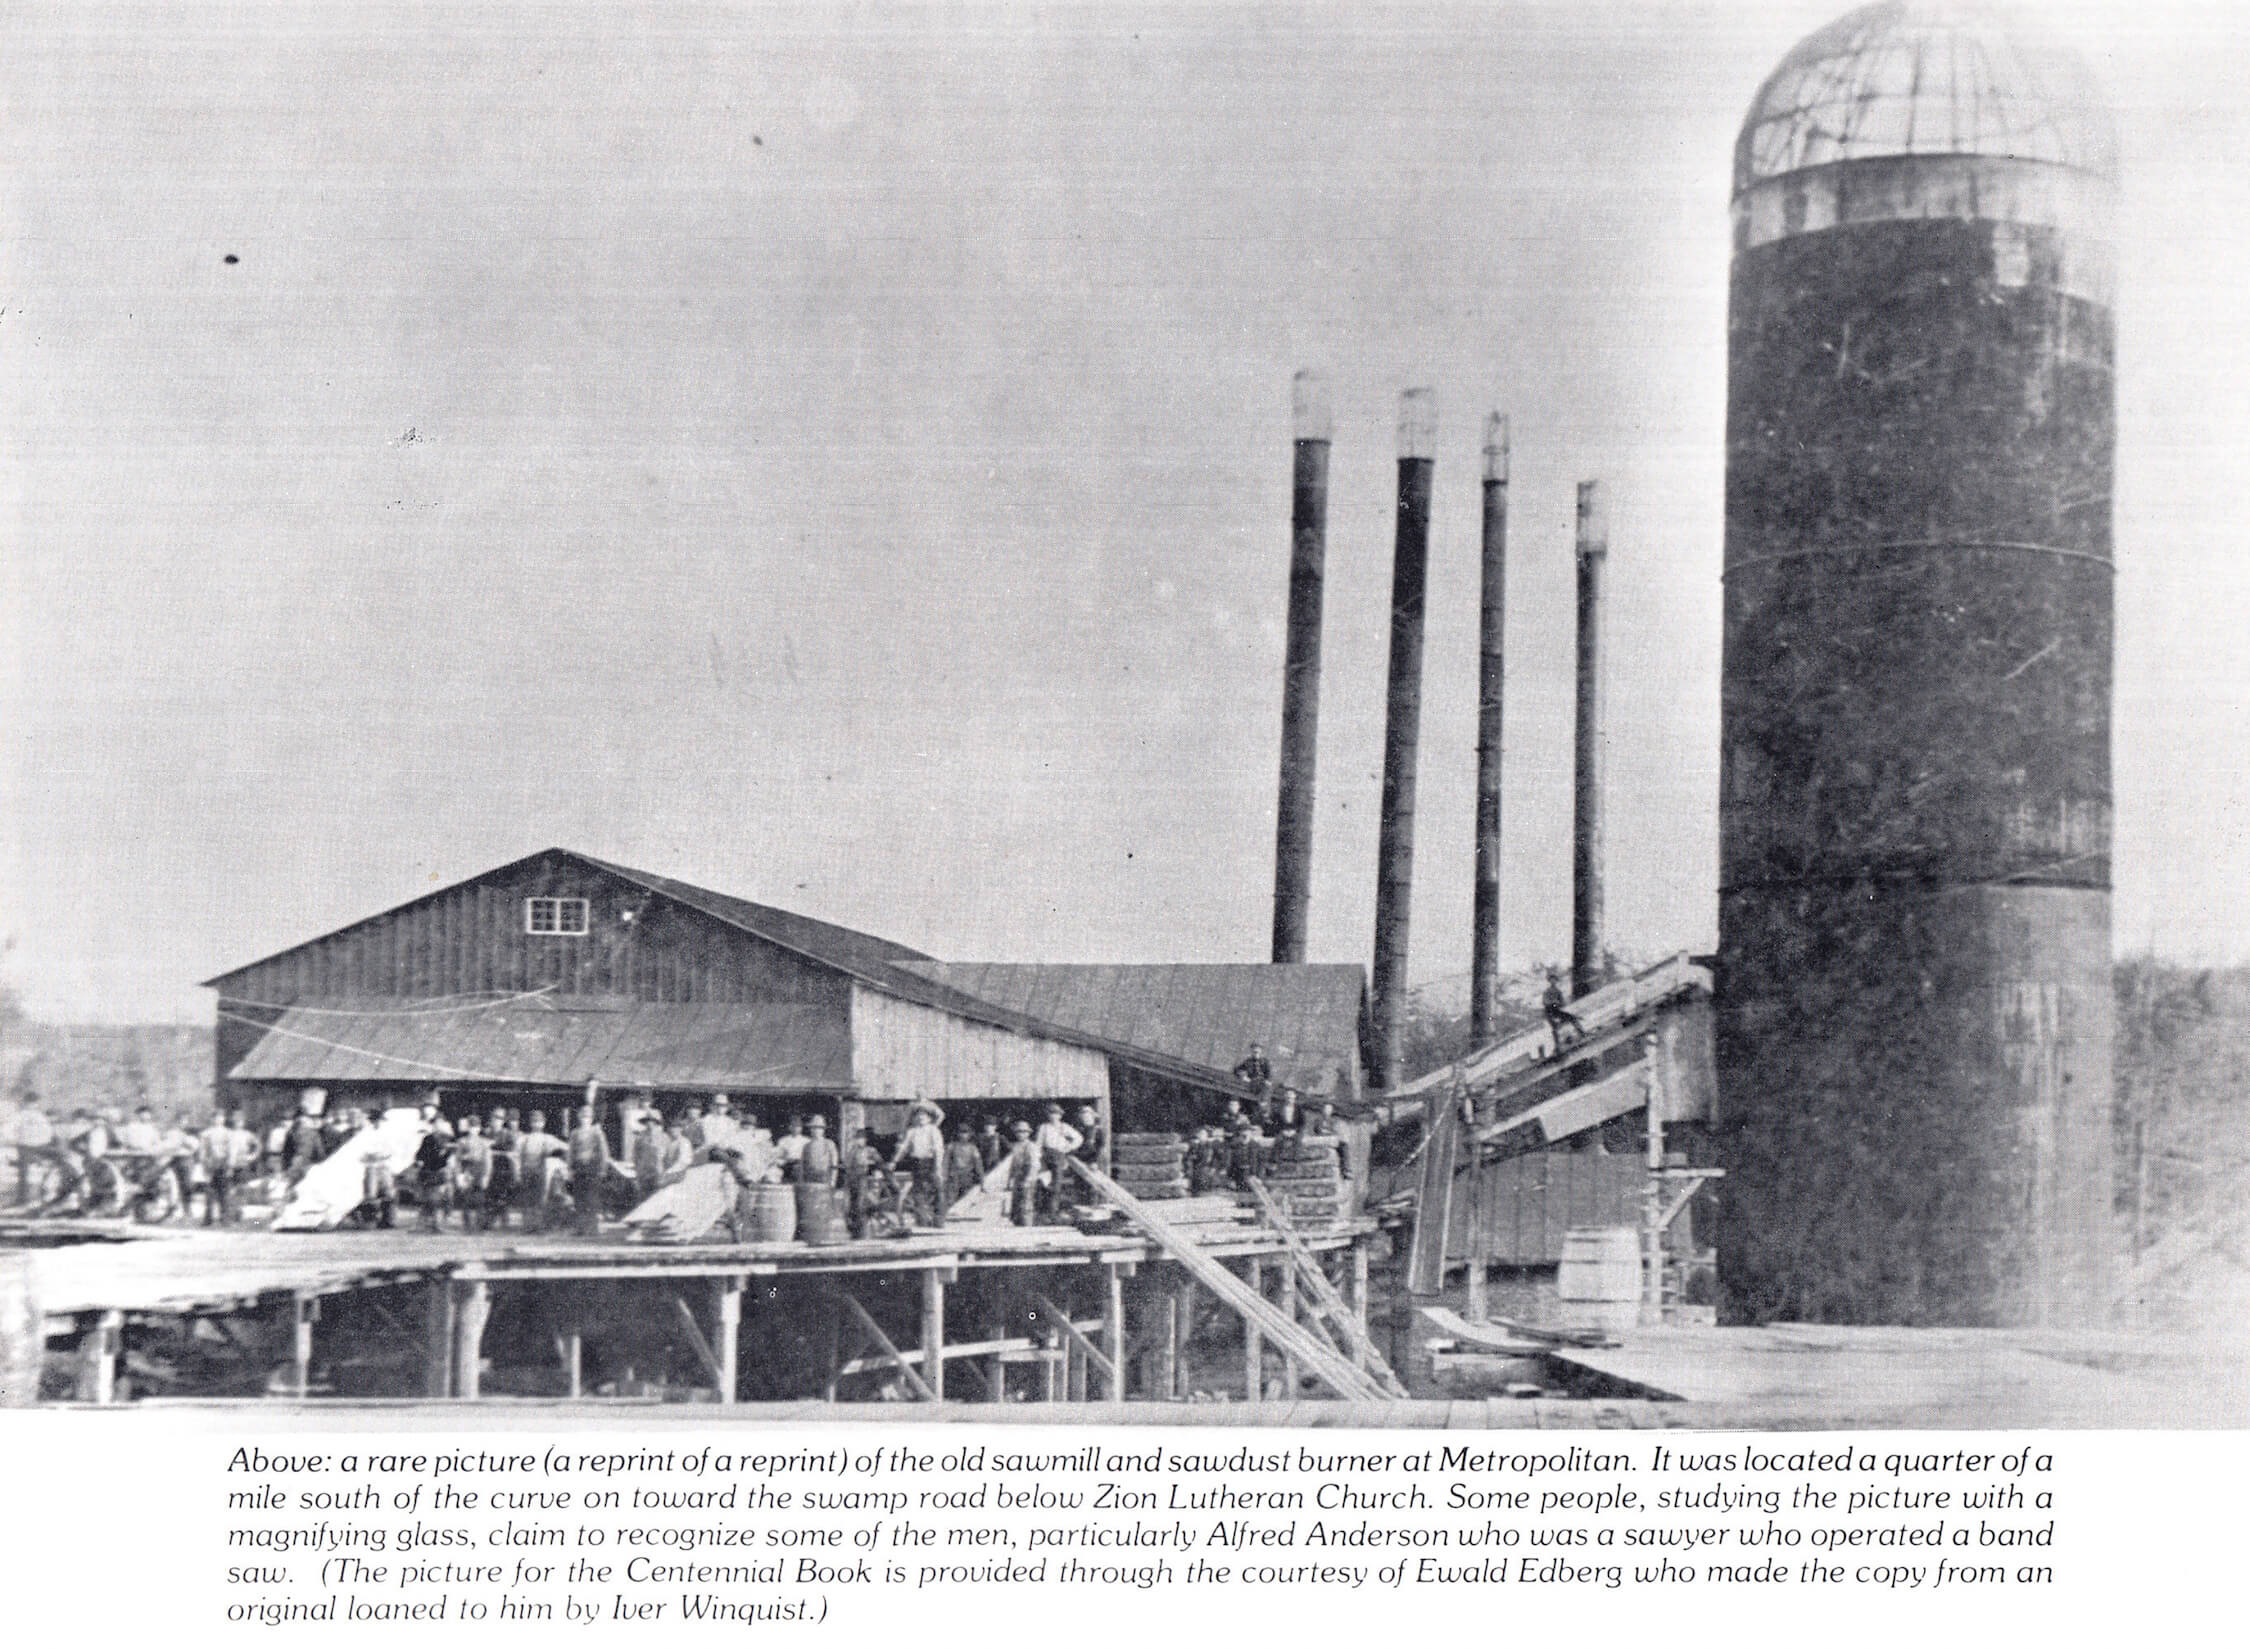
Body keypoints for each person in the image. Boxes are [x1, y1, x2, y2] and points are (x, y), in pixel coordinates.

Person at [890, 1101, 947, 1227]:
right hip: (916, 1163)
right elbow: (903, 1148)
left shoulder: (933, 1130)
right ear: (915, 1118)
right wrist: (894, 1161)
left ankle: (939, 1220)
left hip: (930, 1162)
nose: (921, 1118)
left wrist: (938, 1167)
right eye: (918, 1116)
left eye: (924, 1116)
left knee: (938, 1190)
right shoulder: (912, 1132)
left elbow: (938, 1149)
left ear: (929, 1118)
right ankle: (922, 1220)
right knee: (918, 1192)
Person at [566, 1104, 613, 1236]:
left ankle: (592, 1228)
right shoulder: (575, 1133)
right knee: (579, 1199)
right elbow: (570, 1152)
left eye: (587, 1117)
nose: (585, 1119)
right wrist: (569, 1168)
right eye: (583, 1116)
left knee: (592, 1199)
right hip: (579, 1169)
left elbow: (604, 1152)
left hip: (593, 1169)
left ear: (591, 1118)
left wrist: (603, 1169)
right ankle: (580, 1228)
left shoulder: (597, 1133)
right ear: (579, 1117)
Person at [516, 1110, 566, 1230]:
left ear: (543, 1123)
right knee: (527, 1199)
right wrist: (518, 1171)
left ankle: (537, 1225)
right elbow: (516, 1156)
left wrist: (554, 1153)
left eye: (539, 1122)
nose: (537, 1124)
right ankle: (528, 1225)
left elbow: (566, 1146)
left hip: (540, 1172)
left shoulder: (547, 1138)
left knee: (539, 1198)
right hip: (527, 1171)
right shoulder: (523, 1139)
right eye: (534, 1122)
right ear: (530, 1123)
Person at [1032, 1104, 1082, 1221]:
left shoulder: (1064, 1127)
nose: (1054, 1116)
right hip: (1045, 1156)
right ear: (1048, 1115)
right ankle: (1042, 1212)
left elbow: (1079, 1138)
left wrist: (1068, 1147)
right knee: (1044, 1182)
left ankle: (1053, 1212)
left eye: (1056, 1114)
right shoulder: (1044, 1127)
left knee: (1057, 1184)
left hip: (1059, 1156)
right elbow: (1038, 1144)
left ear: (1060, 1116)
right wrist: (1037, 1158)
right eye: (1051, 1114)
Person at [411, 1115, 455, 1230]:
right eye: (434, 1123)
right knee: (426, 1199)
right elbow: (420, 1154)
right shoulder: (427, 1138)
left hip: (440, 1172)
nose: (436, 1126)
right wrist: (418, 1160)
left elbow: (450, 1156)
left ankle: (438, 1223)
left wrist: (447, 1159)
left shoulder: (447, 1138)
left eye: (439, 1123)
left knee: (438, 1200)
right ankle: (425, 1223)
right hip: (427, 1172)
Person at [452, 1114, 494, 1232]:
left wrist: (486, 1176)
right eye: (471, 1126)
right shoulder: (462, 1142)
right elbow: (457, 1160)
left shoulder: (484, 1142)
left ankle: (479, 1226)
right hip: (467, 1170)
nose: (473, 1129)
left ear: (479, 1128)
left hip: (480, 1170)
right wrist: (458, 1176)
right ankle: (467, 1226)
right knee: (466, 1198)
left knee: (480, 1199)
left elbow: (488, 1161)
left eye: (475, 1126)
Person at [1001, 1121, 1042, 1227]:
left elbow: (1034, 1165)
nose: (1020, 1134)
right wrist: (1010, 1180)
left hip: (1028, 1179)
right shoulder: (1016, 1146)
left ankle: (1027, 1228)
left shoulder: (1031, 1146)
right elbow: (1012, 1165)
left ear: (1028, 1133)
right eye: (1018, 1132)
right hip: (1017, 1178)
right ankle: (1018, 1228)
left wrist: (1028, 1179)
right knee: (1015, 1206)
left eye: (1023, 1132)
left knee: (1026, 1205)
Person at [485, 1107, 520, 1229]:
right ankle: (489, 1222)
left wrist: (494, 1153)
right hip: (488, 1170)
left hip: (503, 1169)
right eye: (494, 1118)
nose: (496, 1121)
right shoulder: (486, 1133)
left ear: (503, 1120)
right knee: (489, 1196)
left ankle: (505, 1223)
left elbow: (512, 1153)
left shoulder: (507, 1135)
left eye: (499, 1118)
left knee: (502, 1196)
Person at [943, 1123, 984, 1212]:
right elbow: (945, 1162)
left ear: (969, 1134)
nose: (963, 1135)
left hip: (967, 1176)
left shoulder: (972, 1148)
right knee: (950, 1199)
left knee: (966, 1199)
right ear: (957, 1134)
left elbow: (978, 1164)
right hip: (954, 1176)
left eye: (966, 1133)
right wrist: (944, 1176)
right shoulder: (951, 1146)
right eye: (961, 1133)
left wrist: (981, 1179)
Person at [1542, 969, 1586, 1052]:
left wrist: (1558, 1003)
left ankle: (1582, 1033)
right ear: (1549, 981)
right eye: (1552, 979)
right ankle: (1558, 1046)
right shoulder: (1546, 991)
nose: (1553, 981)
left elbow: (1562, 1002)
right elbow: (1545, 1002)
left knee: (1572, 1018)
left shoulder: (1558, 991)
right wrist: (1554, 1003)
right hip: (1549, 1012)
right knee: (1555, 1027)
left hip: (1556, 1011)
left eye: (1555, 979)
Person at [797, 1115, 839, 1190]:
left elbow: (834, 1164)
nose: (816, 1130)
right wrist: (801, 1181)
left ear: (823, 1130)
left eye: (818, 1128)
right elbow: (802, 1165)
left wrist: (833, 1181)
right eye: (813, 1128)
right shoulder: (807, 1146)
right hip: (809, 1178)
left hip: (824, 1178)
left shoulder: (829, 1144)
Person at [775, 1116, 809, 1182]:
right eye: (793, 1126)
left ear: (801, 1128)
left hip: (800, 1165)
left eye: (798, 1126)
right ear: (789, 1127)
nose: (795, 1128)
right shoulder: (783, 1140)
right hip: (786, 1165)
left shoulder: (806, 1141)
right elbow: (778, 1155)